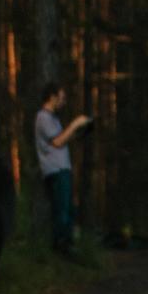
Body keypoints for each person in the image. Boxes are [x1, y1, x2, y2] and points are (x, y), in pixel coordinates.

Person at [34, 83, 92, 254]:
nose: (63, 101)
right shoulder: (43, 117)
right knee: (62, 209)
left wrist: (81, 131)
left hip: (62, 168)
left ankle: (67, 243)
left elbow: (63, 139)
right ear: (52, 97)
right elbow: (58, 141)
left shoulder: (54, 119)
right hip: (55, 170)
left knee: (68, 208)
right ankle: (60, 245)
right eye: (61, 97)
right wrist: (75, 124)